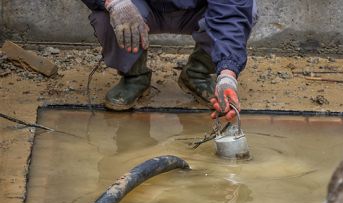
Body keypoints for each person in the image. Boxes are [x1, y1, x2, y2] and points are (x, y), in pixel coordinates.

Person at [81, 0, 258, 120]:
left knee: (248, 13)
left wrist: (227, 74)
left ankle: (197, 73)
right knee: (106, 15)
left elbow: (231, 12)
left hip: (197, 9)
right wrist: (114, 2)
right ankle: (134, 76)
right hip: (139, 6)